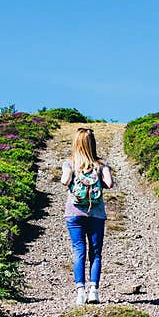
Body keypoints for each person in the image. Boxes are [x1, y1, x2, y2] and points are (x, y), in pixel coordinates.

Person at [61, 127, 114, 305]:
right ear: (92, 144)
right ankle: (94, 291)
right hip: (97, 214)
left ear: (76, 143)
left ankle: (80, 292)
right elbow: (109, 183)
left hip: (74, 213)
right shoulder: (101, 164)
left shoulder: (70, 163)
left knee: (79, 250)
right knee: (96, 253)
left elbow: (64, 181)